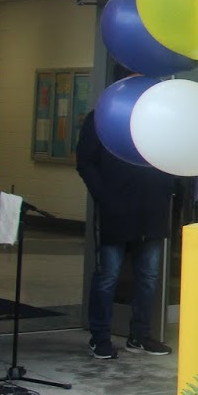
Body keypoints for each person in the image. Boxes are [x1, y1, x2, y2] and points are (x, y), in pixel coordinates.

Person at [75, 108, 177, 359]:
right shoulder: (104, 115)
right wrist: (104, 196)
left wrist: (168, 191)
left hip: (152, 210)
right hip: (116, 211)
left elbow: (171, 155)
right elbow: (85, 160)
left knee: (149, 277)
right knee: (108, 276)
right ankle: (100, 337)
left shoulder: (157, 113)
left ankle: (139, 336)